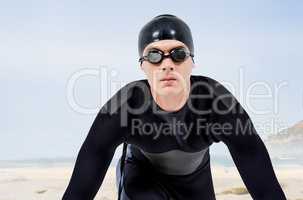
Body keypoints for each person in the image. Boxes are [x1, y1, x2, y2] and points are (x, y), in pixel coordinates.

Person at [62, 14, 286, 200]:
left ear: (192, 61)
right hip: (142, 177)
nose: (167, 64)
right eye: (154, 55)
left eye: (178, 54)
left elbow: (263, 182)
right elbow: (83, 182)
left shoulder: (218, 105)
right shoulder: (124, 108)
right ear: (143, 65)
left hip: (195, 182)